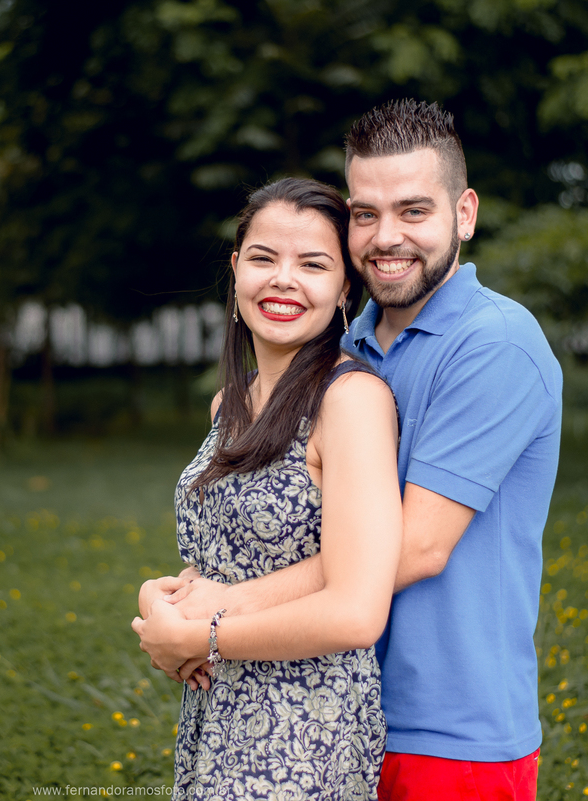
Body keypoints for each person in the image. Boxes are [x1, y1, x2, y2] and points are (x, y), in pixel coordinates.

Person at [139, 99, 562, 801]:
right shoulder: (344, 349)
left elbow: (416, 544)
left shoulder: (495, 344)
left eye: (414, 211)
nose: (386, 236)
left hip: (447, 730)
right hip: (323, 700)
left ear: (465, 213)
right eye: (365, 213)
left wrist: (214, 620)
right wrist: (174, 597)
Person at [131, 176, 403, 800]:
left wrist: (202, 636)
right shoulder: (230, 402)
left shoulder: (352, 400)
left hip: (305, 723)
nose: (284, 279)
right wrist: (162, 596)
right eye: (263, 258)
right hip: (217, 707)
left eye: (313, 264)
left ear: (344, 291)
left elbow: (357, 610)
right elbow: (227, 561)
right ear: (235, 274)